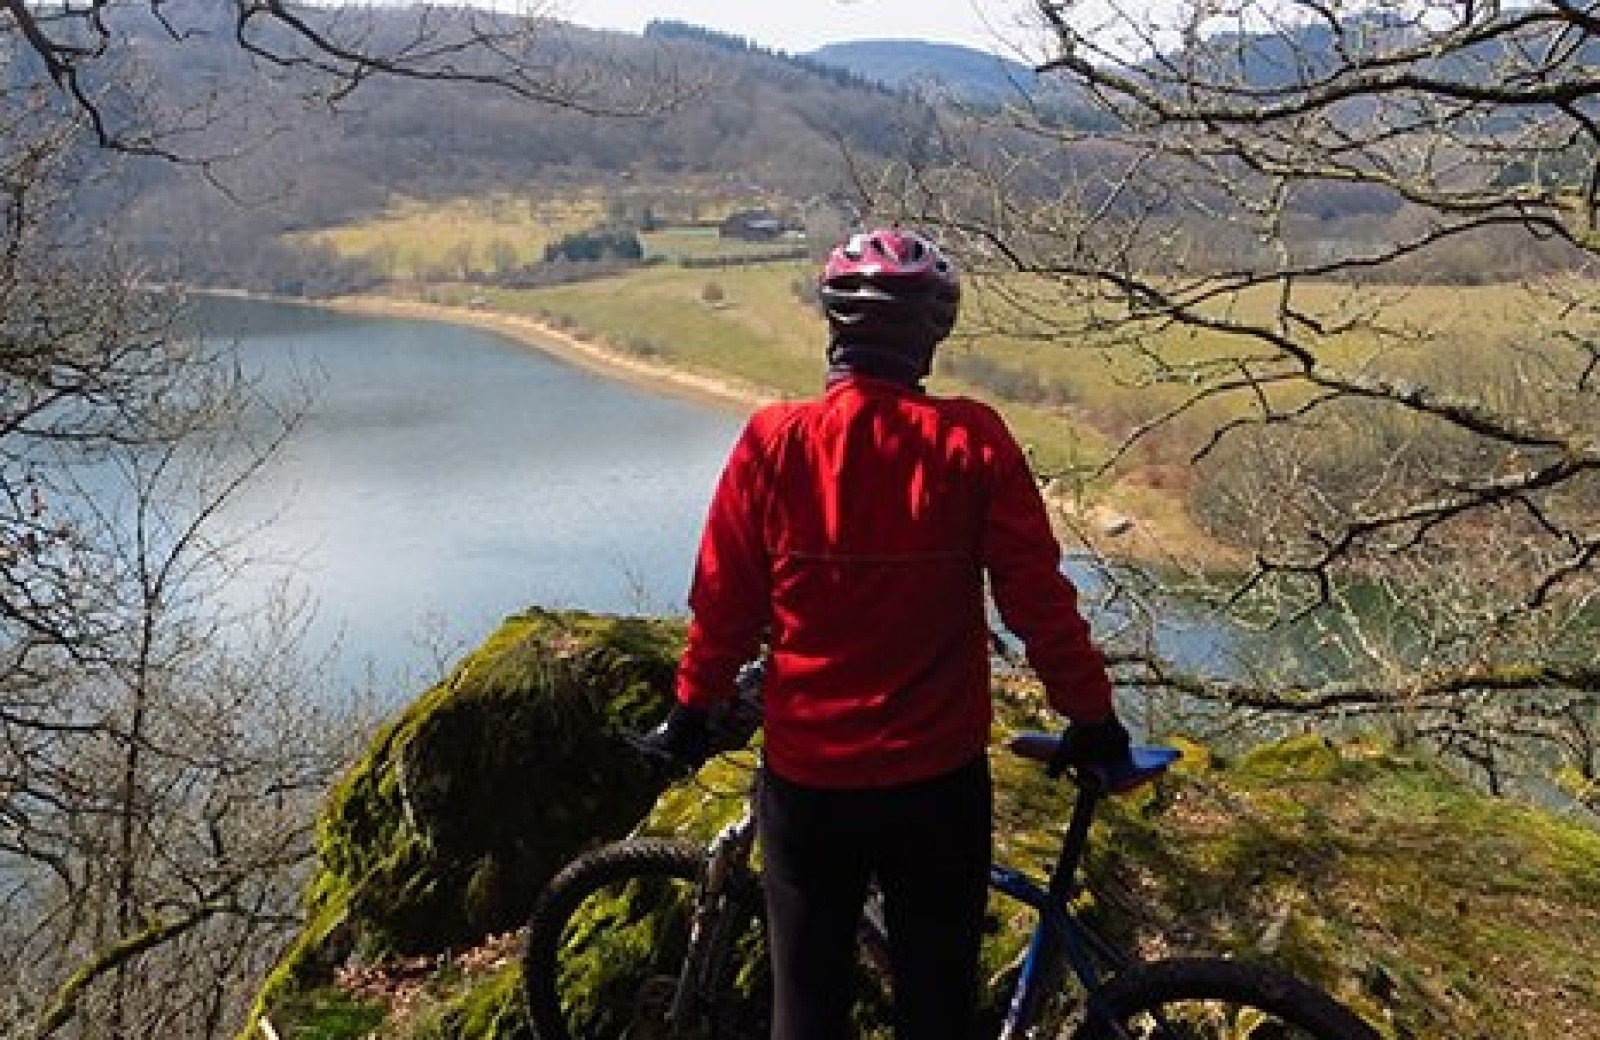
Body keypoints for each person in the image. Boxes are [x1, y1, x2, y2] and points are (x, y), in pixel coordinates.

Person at [644, 227, 1132, 1040]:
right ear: (931, 334)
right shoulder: (972, 440)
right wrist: (1093, 717)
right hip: (936, 782)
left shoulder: (774, 442)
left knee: (805, 1008)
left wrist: (693, 709)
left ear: (834, 327)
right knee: (936, 1010)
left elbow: (723, 601)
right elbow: (1037, 602)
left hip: (809, 784)